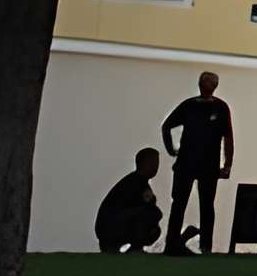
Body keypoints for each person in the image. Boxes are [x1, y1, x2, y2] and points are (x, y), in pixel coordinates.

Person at [159, 70, 233, 255]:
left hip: (201, 164)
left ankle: (201, 245)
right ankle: (175, 243)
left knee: (201, 205)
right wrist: (171, 149)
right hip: (190, 163)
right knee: (185, 203)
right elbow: (166, 126)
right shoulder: (196, 106)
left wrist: (227, 164)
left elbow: (228, 138)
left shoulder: (212, 107)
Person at [94, 148, 163, 254]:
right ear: (142, 163)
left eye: (157, 163)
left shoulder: (138, 182)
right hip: (110, 228)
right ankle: (135, 248)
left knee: (151, 217)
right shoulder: (135, 182)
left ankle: (120, 246)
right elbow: (148, 209)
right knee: (150, 217)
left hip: (109, 227)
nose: (156, 166)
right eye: (153, 162)